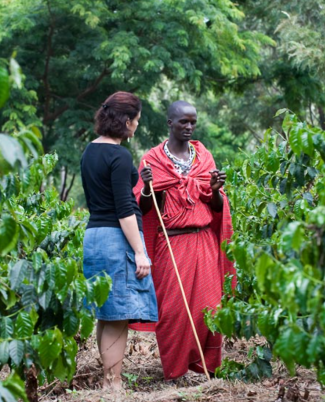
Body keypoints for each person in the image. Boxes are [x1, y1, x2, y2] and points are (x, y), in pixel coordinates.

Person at [128, 100, 235, 379]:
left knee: (209, 308)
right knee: (173, 312)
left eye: (193, 122)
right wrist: (149, 188)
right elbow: (144, 208)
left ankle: (206, 368)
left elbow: (215, 206)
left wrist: (214, 191)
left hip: (204, 242)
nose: (189, 127)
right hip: (171, 244)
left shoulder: (203, 157)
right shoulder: (153, 159)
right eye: (183, 122)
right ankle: (175, 372)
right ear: (170, 124)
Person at [81, 91, 159, 390]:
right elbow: (125, 207)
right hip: (116, 237)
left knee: (106, 311)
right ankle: (112, 384)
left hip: (94, 236)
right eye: (136, 121)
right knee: (117, 316)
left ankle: (108, 381)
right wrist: (140, 252)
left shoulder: (90, 150)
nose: (136, 126)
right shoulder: (119, 154)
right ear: (126, 121)